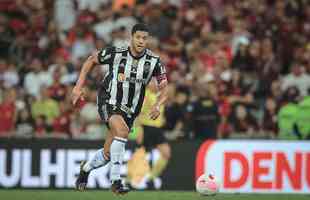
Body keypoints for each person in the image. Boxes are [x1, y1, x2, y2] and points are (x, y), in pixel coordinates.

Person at [71, 23, 168, 195]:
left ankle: (85, 169)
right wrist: (78, 87)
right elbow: (91, 60)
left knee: (108, 154)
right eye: (138, 37)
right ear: (132, 37)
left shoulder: (153, 62)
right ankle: (116, 182)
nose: (140, 41)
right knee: (122, 130)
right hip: (108, 100)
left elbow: (164, 88)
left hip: (131, 110)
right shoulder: (117, 53)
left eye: (144, 38)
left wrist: (157, 104)